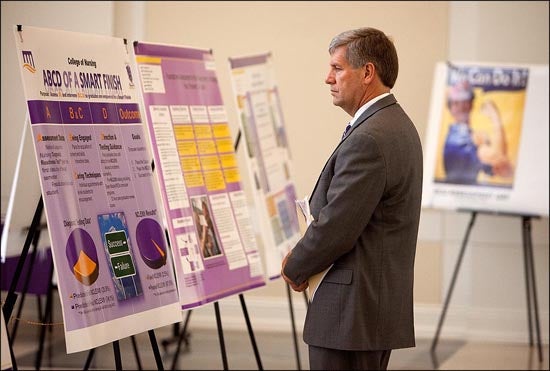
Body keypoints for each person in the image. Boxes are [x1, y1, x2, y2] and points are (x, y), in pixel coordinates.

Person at [281, 27, 423, 370]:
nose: (327, 78)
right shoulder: (395, 125)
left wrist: (296, 265)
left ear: (367, 72)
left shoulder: (370, 138)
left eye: (337, 68)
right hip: (369, 310)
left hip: (351, 314)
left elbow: (338, 225)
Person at [442, 80, 514, 184]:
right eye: (456, 103)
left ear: (471, 104)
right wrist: (495, 117)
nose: (461, 107)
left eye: (465, 102)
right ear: (451, 107)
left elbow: (506, 170)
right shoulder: (462, 138)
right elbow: (500, 160)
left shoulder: (473, 137)